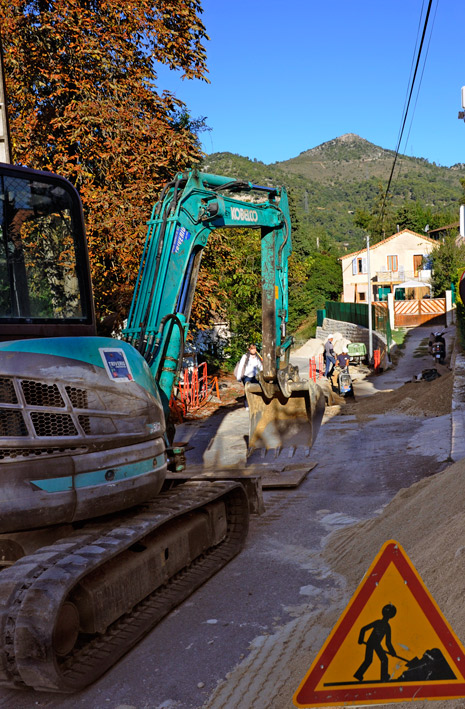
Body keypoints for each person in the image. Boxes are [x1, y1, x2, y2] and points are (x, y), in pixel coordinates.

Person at [354, 604, 397, 682]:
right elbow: (363, 629)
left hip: (375, 644)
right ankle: (360, 674)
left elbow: (388, 642)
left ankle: (360, 674)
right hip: (371, 643)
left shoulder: (384, 625)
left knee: (379, 659)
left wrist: (392, 652)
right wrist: (360, 639)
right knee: (373, 660)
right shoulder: (384, 625)